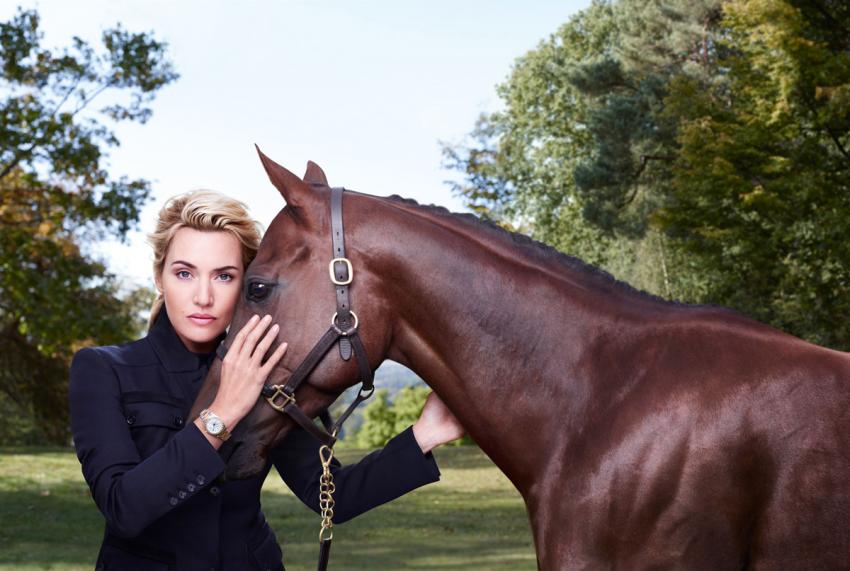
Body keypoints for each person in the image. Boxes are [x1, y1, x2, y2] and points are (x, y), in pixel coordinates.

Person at [68, 190, 465, 571]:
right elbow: (123, 508)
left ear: (245, 283)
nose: (203, 296)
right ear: (159, 278)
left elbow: (332, 497)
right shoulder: (102, 369)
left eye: (224, 276)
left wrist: (424, 435)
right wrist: (220, 414)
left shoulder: (269, 370)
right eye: (185, 273)